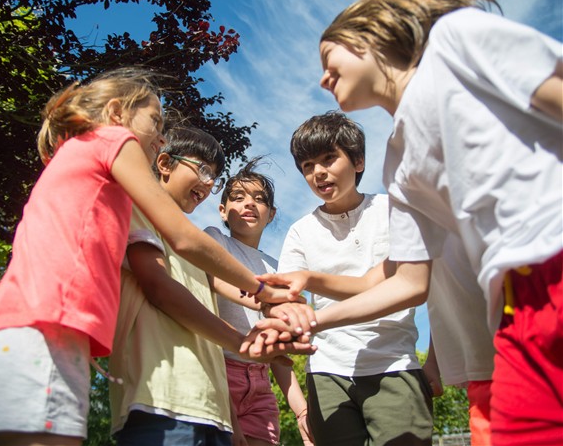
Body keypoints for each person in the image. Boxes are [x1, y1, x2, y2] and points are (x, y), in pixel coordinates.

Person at [254, 0, 562, 446]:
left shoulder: (455, 42)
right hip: (512, 301)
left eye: (328, 59)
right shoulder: (399, 162)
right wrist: (307, 319)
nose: (322, 78)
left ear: (367, 41)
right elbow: (408, 282)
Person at [0, 68, 306, 446]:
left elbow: (210, 275)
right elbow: (182, 239)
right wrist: (262, 291)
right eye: (155, 121)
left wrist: (267, 303)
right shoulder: (112, 138)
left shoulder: (87, 170)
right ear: (116, 112)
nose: (160, 137)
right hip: (44, 336)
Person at [110, 129, 314, 446]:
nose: (208, 183)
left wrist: (272, 302)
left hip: (214, 394)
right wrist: (251, 322)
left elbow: (223, 290)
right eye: (203, 170)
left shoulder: (262, 264)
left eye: (214, 177)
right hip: (164, 392)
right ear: (163, 163)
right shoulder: (192, 237)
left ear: (272, 213)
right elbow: (168, 286)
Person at [277, 112, 433, 446]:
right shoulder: (300, 231)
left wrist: (433, 359)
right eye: (307, 166)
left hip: (394, 361)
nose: (318, 172)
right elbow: (286, 298)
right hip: (327, 371)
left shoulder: (394, 211)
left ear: (358, 161)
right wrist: (281, 312)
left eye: (328, 159)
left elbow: (417, 286)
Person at [205, 157, 314, 446]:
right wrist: (265, 300)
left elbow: (278, 354)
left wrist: (302, 411)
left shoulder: (277, 268)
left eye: (259, 199)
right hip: (218, 370)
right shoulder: (216, 240)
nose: (249, 204)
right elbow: (215, 278)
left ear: (271, 214)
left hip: (260, 382)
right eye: (238, 197)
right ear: (222, 210)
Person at [422, 234, 495, 446]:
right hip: (484, 372)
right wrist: (433, 361)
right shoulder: (413, 222)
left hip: (533, 353)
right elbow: (444, 304)